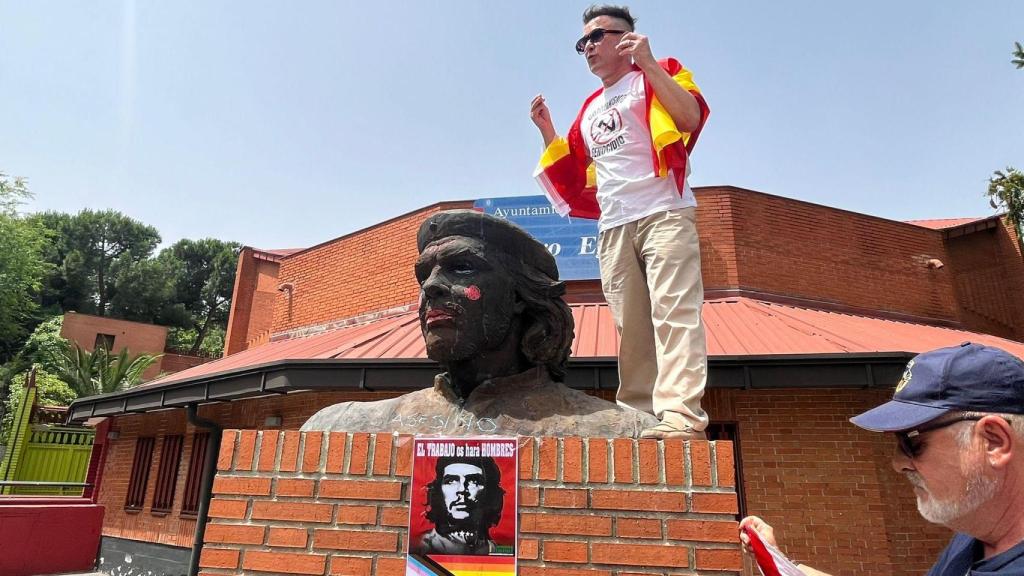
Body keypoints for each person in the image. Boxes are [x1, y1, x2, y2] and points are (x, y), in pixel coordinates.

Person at [302, 209, 658, 437]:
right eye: (423, 275)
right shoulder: (339, 429)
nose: (431, 286)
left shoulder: (623, 433)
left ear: (521, 296)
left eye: (463, 267)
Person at [530, 4, 711, 440]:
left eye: (596, 37)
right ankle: (640, 416)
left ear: (624, 39)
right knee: (631, 327)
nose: (588, 48)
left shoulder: (661, 72)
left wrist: (648, 64)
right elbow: (574, 168)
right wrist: (547, 132)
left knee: (675, 314)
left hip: (664, 212)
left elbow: (689, 118)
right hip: (614, 226)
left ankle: (682, 418)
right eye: (582, 43)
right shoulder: (591, 106)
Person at [739, 343, 1024, 575]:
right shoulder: (978, 536)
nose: (897, 462)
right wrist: (782, 562)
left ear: (993, 442)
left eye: (912, 442)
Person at [414, 456, 506, 555]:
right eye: (451, 481)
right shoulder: (418, 548)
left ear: (489, 492)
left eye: (474, 481)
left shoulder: (499, 551)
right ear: (439, 491)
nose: (461, 489)